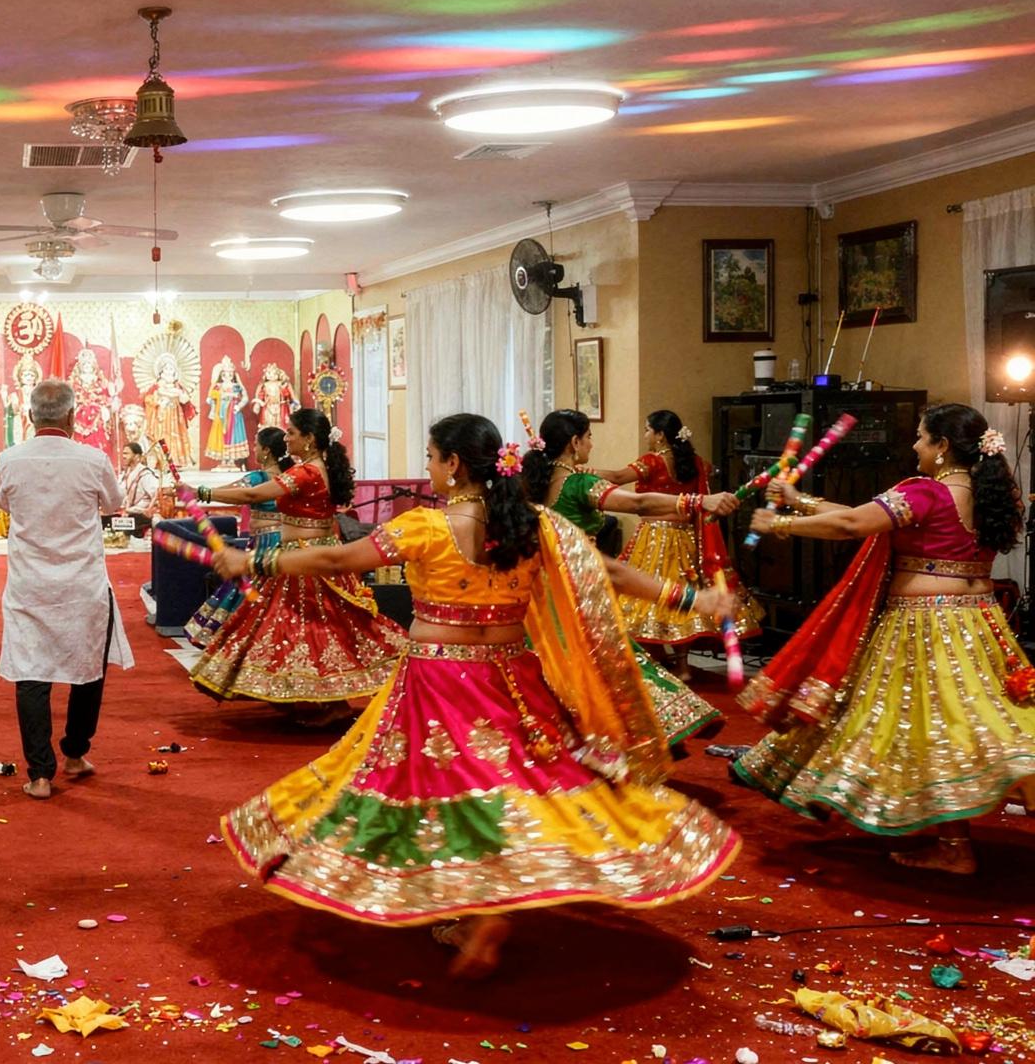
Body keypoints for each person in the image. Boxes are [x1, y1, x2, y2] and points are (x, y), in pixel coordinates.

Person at [217, 413, 741, 979]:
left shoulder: (426, 527)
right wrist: (693, 600)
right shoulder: (530, 525)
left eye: (430, 455)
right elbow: (608, 571)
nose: (426, 465)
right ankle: (486, 901)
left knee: (444, 790)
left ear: (454, 464)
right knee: (524, 782)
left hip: (437, 681)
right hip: (512, 677)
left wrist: (254, 559)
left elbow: (338, 559)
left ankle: (477, 906)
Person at [734, 403, 1035, 875]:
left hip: (924, 628)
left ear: (942, 447)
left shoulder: (927, 492)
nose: (914, 445)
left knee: (924, 729)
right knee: (966, 727)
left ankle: (955, 848)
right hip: (980, 623)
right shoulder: (994, 491)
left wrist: (781, 524)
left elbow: (853, 525)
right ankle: (953, 841)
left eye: (921, 437)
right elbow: (864, 515)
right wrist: (798, 500)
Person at [523, 408, 736, 746]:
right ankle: (617, 738)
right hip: (578, 588)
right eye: (589, 437)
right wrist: (700, 501)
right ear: (574, 442)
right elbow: (638, 503)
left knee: (552, 668)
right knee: (605, 662)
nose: (591, 444)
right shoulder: (578, 484)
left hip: (535, 595)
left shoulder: (530, 482)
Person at [184, 408, 407, 724]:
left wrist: (202, 492)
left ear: (309, 439)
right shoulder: (316, 468)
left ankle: (329, 702)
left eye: (291, 432)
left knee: (309, 627)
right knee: (308, 628)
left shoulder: (307, 473)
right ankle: (307, 696)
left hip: (304, 559)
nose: (285, 437)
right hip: (305, 553)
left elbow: (253, 493)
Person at [0, 379, 134, 800]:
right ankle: (74, 753)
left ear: (31, 416)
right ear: (73, 417)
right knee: (88, 668)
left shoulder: (10, 459)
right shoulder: (92, 459)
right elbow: (114, 503)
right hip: (82, 583)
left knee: (30, 673)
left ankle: (40, 774)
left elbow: (3, 503)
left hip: (29, 584)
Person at [604, 410, 765, 668]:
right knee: (686, 595)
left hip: (654, 539)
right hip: (688, 539)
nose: (645, 435)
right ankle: (682, 666)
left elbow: (617, 478)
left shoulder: (651, 462)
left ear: (660, 436)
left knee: (654, 595)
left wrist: (576, 472)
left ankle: (653, 661)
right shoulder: (697, 462)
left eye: (648, 430)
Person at [186, 427, 292, 649]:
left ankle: (243, 640)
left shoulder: (258, 478)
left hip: (265, 544)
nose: (253, 449)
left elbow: (233, 493)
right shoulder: (289, 476)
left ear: (266, 450)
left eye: (256, 445)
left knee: (251, 591)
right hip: (284, 542)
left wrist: (197, 492)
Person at [204, 357, 249, 469]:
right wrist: (212, 401)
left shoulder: (237, 386)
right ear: (221, 375)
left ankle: (232, 459)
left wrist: (239, 406)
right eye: (225, 375)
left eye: (230, 374)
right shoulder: (218, 386)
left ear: (233, 375)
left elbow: (245, 398)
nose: (227, 377)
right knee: (221, 434)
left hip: (234, 413)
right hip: (221, 412)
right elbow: (211, 398)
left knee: (233, 434)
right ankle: (223, 459)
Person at [118, 442, 160, 524]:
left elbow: (156, 495)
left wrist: (147, 510)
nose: (123, 456)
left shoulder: (145, 474)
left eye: (126, 454)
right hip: (127, 518)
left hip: (141, 519)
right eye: (123, 454)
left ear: (137, 457)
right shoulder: (125, 474)